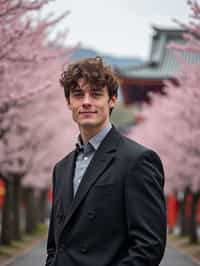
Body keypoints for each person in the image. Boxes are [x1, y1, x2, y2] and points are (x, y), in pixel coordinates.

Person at [45, 56, 166, 266]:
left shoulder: (137, 161)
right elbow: (55, 247)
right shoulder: (61, 168)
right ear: (68, 102)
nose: (86, 102)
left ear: (112, 100)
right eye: (78, 94)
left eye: (96, 94)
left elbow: (149, 246)